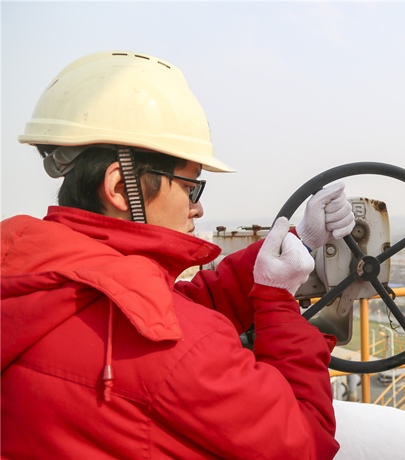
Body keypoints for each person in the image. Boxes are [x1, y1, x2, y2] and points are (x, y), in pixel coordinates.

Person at [1, 50, 356, 458]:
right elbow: (306, 440)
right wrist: (277, 303)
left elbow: (178, 306)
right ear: (121, 188)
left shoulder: (41, 283)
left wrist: (301, 240)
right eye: (190, 187)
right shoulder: (179, 351)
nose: (197, 208)